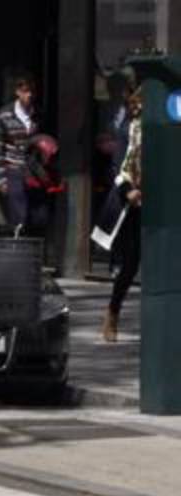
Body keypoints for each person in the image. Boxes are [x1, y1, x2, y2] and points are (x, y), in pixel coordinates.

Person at [103, 88, 143, 343]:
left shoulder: (164, 126)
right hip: (133, 201)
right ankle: (112, 311)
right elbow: (117, 165)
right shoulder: (128, 128)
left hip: (159, 198)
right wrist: (129, 190)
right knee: (132, 262)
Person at [0, 73, 42, 232]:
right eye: (26, 91)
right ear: (18, 92)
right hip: (13, 169)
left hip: (34, 171)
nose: (29, 95)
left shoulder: (38, 114)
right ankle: (17, 246)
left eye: (32, 91)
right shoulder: (5, 114)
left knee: (38, 216)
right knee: (18, 215)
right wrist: (1, 179)